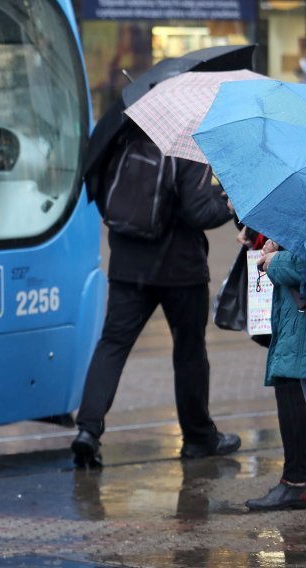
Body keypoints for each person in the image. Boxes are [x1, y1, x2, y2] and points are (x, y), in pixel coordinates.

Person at [71, 152, 241, 468]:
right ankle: (198, 438)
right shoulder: (185, 148)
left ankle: (88, 431)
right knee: (189, 352)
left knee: (112, 345)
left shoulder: (125, 137)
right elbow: (198, 210)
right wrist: (227, 204)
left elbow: (104, 192)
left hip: (127, 265)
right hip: (180, 269)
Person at [245, 239, 306, 510]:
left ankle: (297, 483)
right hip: (293, 319)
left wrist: (275, 261)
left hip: (299, 325)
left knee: (290, 386)